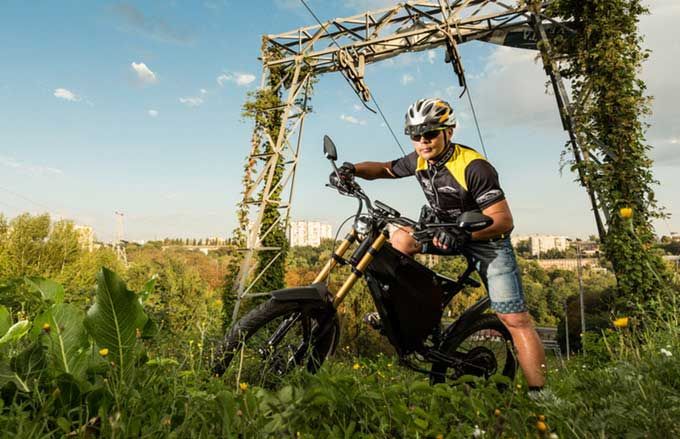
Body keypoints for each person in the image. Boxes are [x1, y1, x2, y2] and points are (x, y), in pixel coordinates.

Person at [336, 98, 546, 391]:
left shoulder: (474, 167)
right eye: (415, 135)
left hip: (487, 241)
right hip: (442, 230)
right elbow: (385, 169)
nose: (423, 141)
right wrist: (352, 170)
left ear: (449, 131)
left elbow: (503, 220)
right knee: (400, 239)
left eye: (430, 133)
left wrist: (465, 235)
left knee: (515, 318)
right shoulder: (421, 159)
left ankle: (541, 396)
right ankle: (419, 310)